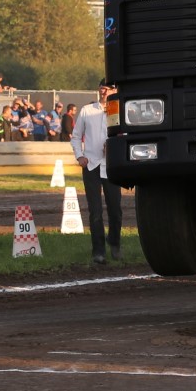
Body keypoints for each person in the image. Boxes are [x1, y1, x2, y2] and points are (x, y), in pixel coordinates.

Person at [71, 82, 123, 264]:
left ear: (115, 90)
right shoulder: (87, 110)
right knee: (95, 211)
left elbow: (126, 135)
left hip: (111, 167)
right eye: (102, 87)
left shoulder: (120, 110)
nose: (104, 90)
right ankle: (98, 251)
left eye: (108, 87)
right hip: (91, 165)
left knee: (115, 209)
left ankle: (114, 242)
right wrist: (79, 156)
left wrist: (115, 147)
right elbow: (76, 136)